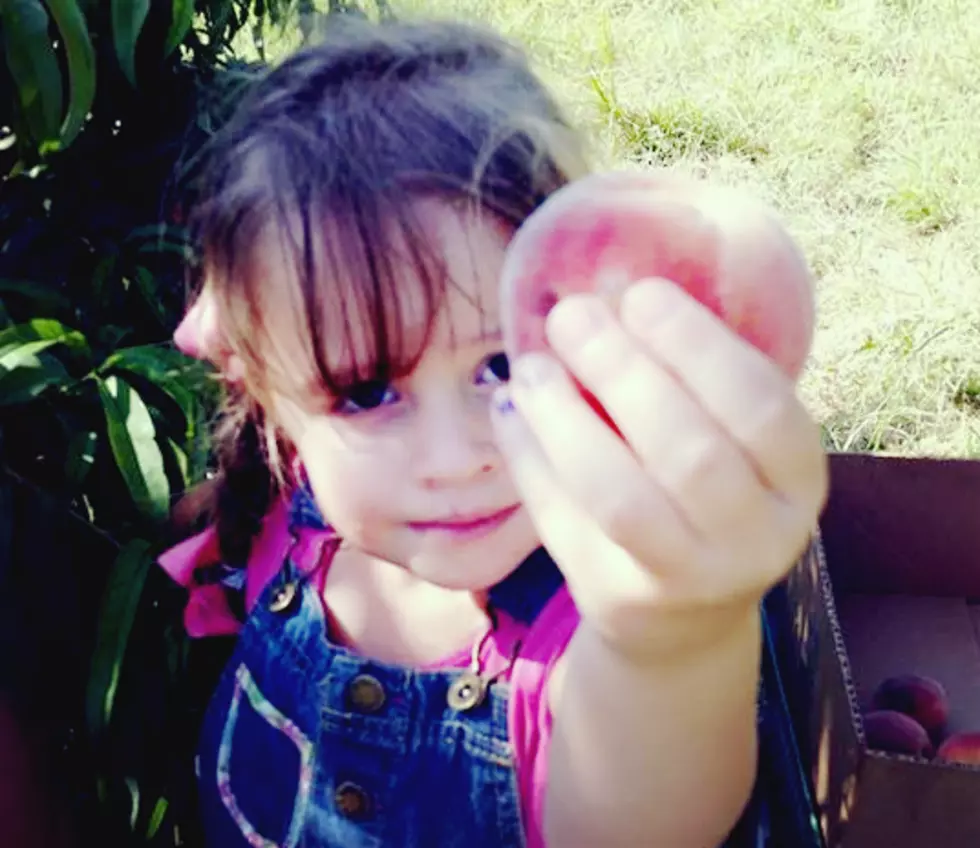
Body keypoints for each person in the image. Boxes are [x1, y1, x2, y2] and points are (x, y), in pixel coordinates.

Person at [160, 14, 827, 848]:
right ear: (262, 395)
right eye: (367, 391)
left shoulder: (584, 628)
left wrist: (676, 636)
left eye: (503, 366)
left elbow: (640, 817)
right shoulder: (286, 502)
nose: (459, 458)